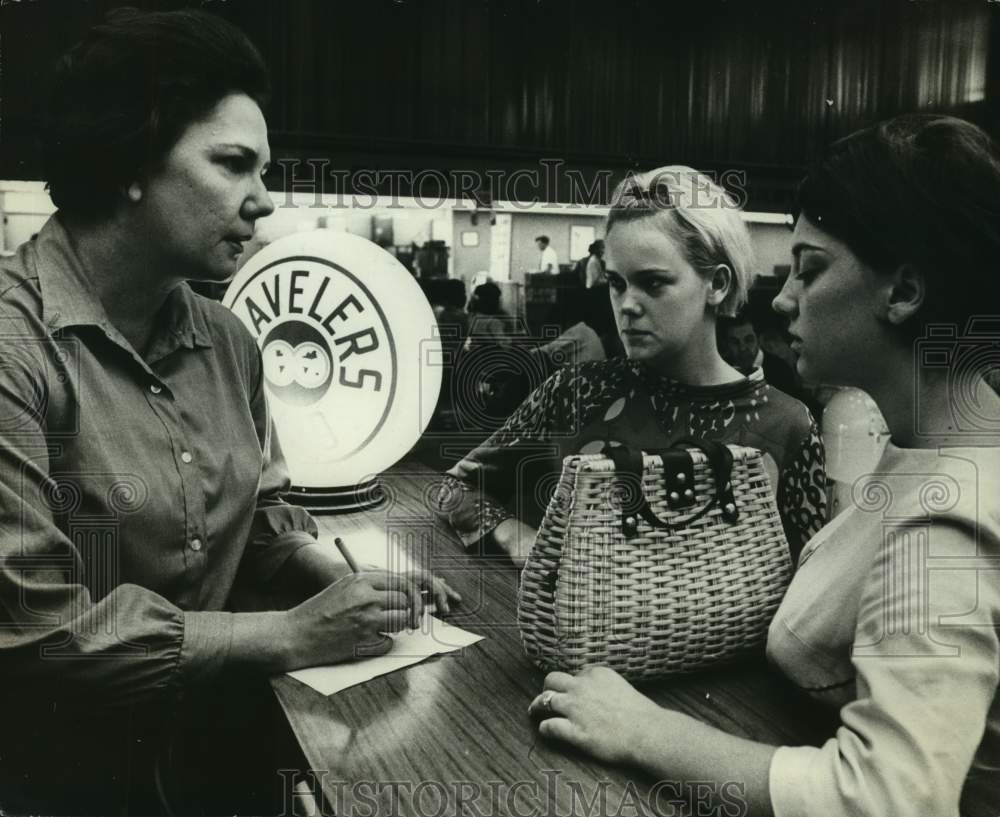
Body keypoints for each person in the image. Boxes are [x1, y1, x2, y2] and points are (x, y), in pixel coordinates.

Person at [0, 9, 458, 814]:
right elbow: (37, 630)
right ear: (131, 160)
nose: (263, 201)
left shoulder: (229, 340)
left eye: (263, 169)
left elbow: (260, 528)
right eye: (234, 165)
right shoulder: (14, 347)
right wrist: (288, 635)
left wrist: (344, 581)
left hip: (227, 763)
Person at [528, 115, 1000, 817]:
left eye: (810, 270)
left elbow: (889, 797)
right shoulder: (929, 446)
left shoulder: (947, 511)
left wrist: (647, 731)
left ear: (902, 292)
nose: (782, 299)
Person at [439, 167, 827, 566]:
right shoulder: (576, 392)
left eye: (653, 283)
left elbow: (811, 588)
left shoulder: (786, 425)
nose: (627, 305)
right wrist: (514, 534)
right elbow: (456, 487)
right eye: (616, 283)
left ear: (717, 285)